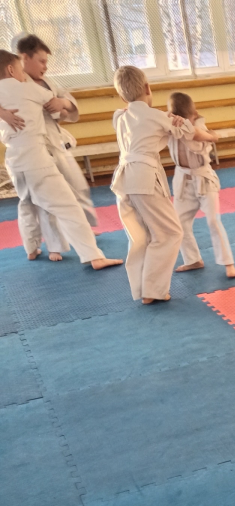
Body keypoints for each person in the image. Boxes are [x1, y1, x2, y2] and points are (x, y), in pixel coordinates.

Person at [0, 50, 121, 270]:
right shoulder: (27, 88)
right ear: (10, 69)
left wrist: (3, 113)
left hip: (13, 161)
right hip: (36, 158)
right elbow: (55, 103)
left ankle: (31, 248)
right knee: (69, 207)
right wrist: (62, 103)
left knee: (26, 203)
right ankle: (94, 256)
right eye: (20, 70)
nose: (23, 75)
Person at [111, 66, 198, 304]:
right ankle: (153, 290)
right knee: (170, 233)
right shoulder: (155, 115)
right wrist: (178, 120)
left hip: (124, 180)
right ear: (148, 88)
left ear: (122, 97)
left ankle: (142, 289)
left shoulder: (119, 117)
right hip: (144, 179)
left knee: (141, 236)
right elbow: (187, 132)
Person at [14, 32, 97, 260]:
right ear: (24, 58)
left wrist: (63, 103)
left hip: (56, 144)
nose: (45, 66)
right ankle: (51, 246)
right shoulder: (18, 85)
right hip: (33, 150)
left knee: (77, 186)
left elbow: (67, 103)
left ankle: (83, 230)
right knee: (43, 202)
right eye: (41, 61)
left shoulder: (47, 82)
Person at [166, 91, 235, 280]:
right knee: (179, 223)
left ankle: (228, 263)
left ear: (194, 115)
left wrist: (205, 134)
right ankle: (192, 259)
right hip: (183, 179)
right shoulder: (168, 124)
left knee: (213, 220)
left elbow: (196, 145)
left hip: (203, 178)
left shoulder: (199, 127)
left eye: (188, 119)